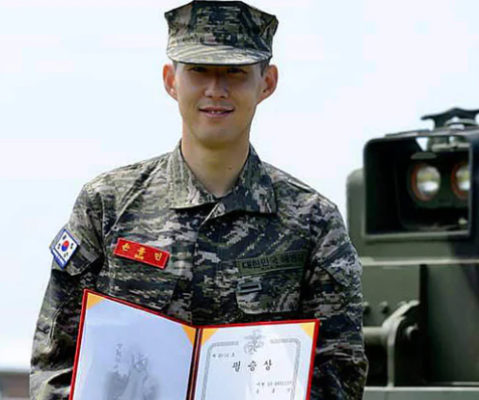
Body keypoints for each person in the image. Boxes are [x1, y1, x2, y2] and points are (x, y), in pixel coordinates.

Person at [30, 1, 368, 399]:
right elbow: (55, 361)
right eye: (198, 70)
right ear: (170, 80)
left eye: (235, 72)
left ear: (267, 83)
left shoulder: (313, 222)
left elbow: (340, 371)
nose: (215, 90)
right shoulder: (106, 206)